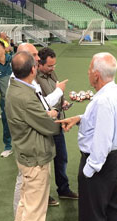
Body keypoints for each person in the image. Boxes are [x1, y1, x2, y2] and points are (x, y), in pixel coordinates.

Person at [56, 52, 117, 221]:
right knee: (112, 210)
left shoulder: (102, 100)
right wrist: (80, 117)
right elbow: (104, 121)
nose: (88, 72)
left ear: (96, 75)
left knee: (92, 217)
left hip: (101, 163)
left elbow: (102, 140)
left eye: (90, 69)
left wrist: (89, 170)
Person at [7, 51, 60, 221]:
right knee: (35, 211)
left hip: (25, 153)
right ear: (32, 70)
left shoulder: (15, 88)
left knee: (25, 205)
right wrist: (55, 117)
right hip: (35, 155)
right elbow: (48, 126)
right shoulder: (26, 96)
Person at [10, 43, 69, 214]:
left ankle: (22, 218)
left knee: (28, 192)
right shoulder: (27, 87)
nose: (37, 58)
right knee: (29, 205)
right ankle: (19, 219)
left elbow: (40, 108)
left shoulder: (21, 86)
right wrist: (53, 116)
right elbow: (42, 115)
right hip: (31, 149)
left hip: (32, 146)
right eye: (34, 55)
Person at [36, 47, 78, 202]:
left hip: (57, 123)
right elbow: (40, 104)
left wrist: (63, 102)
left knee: (61, 157)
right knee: (44, 162)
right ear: (39, 64)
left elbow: (56, 92)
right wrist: (53, 107)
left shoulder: (51, 73)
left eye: (54, 65)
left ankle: (63, 189)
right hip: (44, 126)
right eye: (49, 66)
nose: (53, 69)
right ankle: (44, 196)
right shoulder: (34, 79)